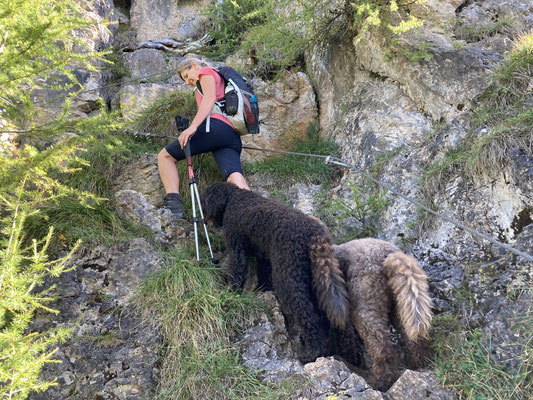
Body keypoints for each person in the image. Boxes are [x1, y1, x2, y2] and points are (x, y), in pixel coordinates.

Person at [157, 58, 250, 218]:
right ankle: (253, 211)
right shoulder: (218, 78)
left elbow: (210, 98)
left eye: (186, 76)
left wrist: (192, 127)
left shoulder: (205, 72)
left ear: (194, 65)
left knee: (165, 156)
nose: (187, 82)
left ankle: (174, 206)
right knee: (234, 177)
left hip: (217, 129)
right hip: (231, 136)